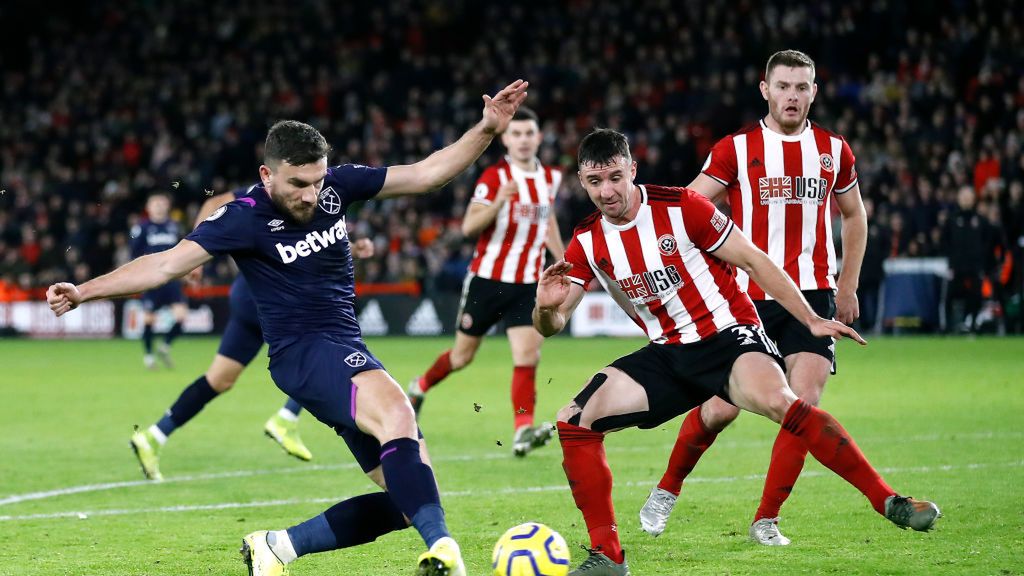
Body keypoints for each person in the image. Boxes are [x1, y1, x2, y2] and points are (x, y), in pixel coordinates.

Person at [47, 78, 529, 576]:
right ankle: (449, 555)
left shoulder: (337, 187)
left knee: (412, 497)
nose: (312, 194)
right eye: (299, 184)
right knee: (399, 414)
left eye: (318, 180)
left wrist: (488, 130)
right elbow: (164, 265)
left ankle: (277, 547)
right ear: (267, 174)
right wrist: (84, 291)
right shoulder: (243, 217)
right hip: (304, 353)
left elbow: (428, 174)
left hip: (340, 349)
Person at [534, 128, 939, 575]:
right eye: (595, 182)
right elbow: (553, 325)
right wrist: (544, 309)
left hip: (728, 337)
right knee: (574, 419)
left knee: (781, 403)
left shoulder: (682, 207)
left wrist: (809, 319)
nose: (606, 191)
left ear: (632, 169)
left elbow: (753, 259)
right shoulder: (587, 239)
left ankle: (887, 500)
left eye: (615, 177)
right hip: (668, 352)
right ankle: (607, 558)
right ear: (581, 180)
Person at [640, 49, 872, 546]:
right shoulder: (737, 149)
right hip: (745, 299)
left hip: (812, 297)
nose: (792, 95)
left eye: (802, 87)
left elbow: (854, 214)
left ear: (814, 92)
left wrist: (847, 283)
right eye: (783, 86)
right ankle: (666, 489)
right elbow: (688, 208)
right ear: (765, 90)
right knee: (721, 410)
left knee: (803, 402)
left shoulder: (834, 149)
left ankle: (767, 519)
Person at [128, 187, 376, 481]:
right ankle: (286, 419)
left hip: (248, 297)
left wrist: (349, 248)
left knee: (219, 379)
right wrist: (194, 250)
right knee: (321, 352)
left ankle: (154, 436)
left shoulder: (302, 197)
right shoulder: (269, 192)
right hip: (265, 300)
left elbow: (306, 246)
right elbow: (215, 202)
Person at [407, 106, 565, 456]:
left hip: (528, 283)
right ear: (505, 139)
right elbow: (468, 227)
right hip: (488, 281)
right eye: (516, 134)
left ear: (538, 138)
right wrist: (498, 204)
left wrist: (561, 258)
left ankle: (522, 430)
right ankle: (418, 386)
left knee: (528, 355)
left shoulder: (550, 178)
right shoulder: (494, 178)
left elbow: (547, 219)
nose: (523, 140)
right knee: (462, 357)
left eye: (529, 134)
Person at [130, 192, 187, 369]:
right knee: (149, 320)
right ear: (148, 207)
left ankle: (164, 347)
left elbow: (184, 250)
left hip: (172, 278)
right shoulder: (142, 228)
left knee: (181, 316)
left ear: (167, 206)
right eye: (155, 203)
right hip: (152, 279)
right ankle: (148, 357)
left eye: (162, 203)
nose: (159, 206)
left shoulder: (174, 227)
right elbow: (134, 253)